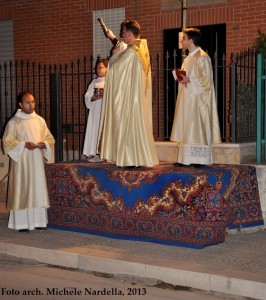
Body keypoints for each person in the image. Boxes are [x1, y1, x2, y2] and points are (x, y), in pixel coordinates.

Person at [99, 20, 159, 168]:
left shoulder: (132, 52)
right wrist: (114, 39)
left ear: (130, 34)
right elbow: (124, 50)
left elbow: (116, 69)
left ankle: (130, 159)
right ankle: (137, 158)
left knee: (128, 126)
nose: (121, 35)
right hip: (137, 97)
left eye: (123, 33)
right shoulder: (141, 48)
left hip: (129, 98)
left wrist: (113, 56)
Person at [2, 91, 55, 233]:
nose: (31, 105)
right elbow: (7, 142)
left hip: (36, 161)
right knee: (23, 188)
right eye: (27, 102)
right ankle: (21, 223)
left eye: (32, 102)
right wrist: (24, 145)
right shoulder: (14, 122)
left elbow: (50, 139)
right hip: (22, 163)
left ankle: (39, 221)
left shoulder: (40, 121)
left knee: (37, 188)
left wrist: (45, 144)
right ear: (20, 104)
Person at [170, 27, 221, 167]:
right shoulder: (188, 58)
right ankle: (185, 159)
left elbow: (206, 81)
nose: (182, 41)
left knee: (196, 128)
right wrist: (181, 76)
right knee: (187, 128)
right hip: (187, 99)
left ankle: (199, 160)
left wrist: (190, 80)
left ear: (190, 41)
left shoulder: (202, 57)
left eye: (184, 38)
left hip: (197, 100)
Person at [83, 59, 108, 162]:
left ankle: (106, 153)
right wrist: (93, 97)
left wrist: (105, 94)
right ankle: (94, 152)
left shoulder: (111, 80)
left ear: (107, 68)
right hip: (95, 111)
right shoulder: (94, 82)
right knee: (95, 129)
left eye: (101, 67)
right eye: (97, 68)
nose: (98, 70)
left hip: (106, 110)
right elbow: (87, 95)